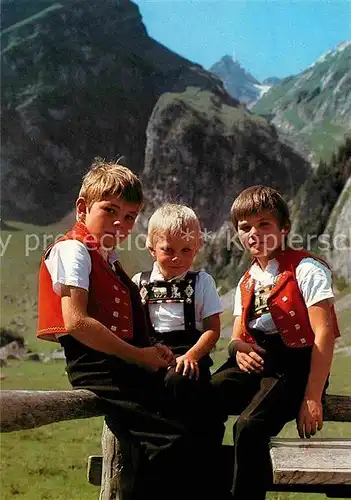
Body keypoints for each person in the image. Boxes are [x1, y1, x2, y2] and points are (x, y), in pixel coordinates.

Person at [36, 159, 217, 499]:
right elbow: (76, 321)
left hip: (118, 360)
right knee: (168, 438)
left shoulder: (108, 258)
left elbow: (127, 320)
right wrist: (138, 356)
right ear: (82, 208)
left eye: (130, 216)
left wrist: (152, 348)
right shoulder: (73, 249)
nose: (120, 222)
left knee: (193, 417)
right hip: (96, 365)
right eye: (110, 210)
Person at [211, 185, 340, 500]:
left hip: (296, 368)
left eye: (263, 224)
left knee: (248, 427)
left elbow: (324, 334)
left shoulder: (307, 269)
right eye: (245, 227)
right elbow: (238, 335)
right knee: (201, 398)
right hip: (258, 361)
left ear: (284, 228)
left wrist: (312, 397)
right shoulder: (247, 280)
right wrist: (236, 349)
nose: (253, 233)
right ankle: (204, 485)